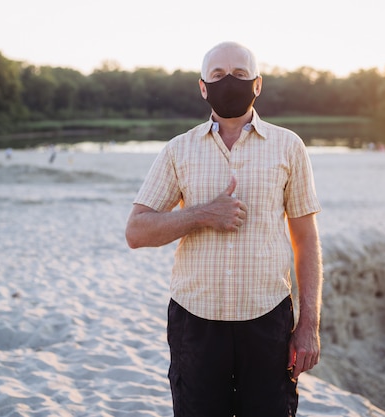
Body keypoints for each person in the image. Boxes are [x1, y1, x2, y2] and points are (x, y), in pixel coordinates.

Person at [125, 41, 323, 417]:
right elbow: (136, 231)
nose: (228, 81)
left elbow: (307, 239)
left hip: (268, 321)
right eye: (217, 75)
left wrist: (308, 325)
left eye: (239, 74)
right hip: (195, 324)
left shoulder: (289, 147)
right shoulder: (178, 151)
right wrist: (201, 214)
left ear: (257, 84)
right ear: (203, 86)